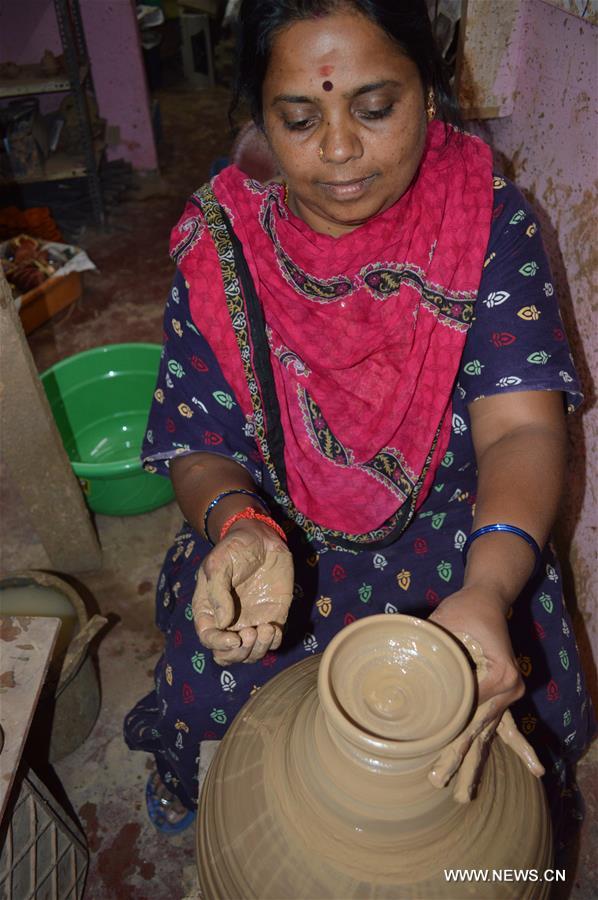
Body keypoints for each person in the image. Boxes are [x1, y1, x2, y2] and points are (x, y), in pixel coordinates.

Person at [124, 0, 594, 849]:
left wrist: (486, 590)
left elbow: (520, 432)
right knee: (211, 674)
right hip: (277, 530)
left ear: (431, 92)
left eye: (376, 109)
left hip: (458, 526)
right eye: (299, 119)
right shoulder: (222, 241)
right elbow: (199, 438)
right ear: (260, 119)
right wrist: (237, 526)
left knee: (518, 700)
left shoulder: (487, 222)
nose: (339, 150)